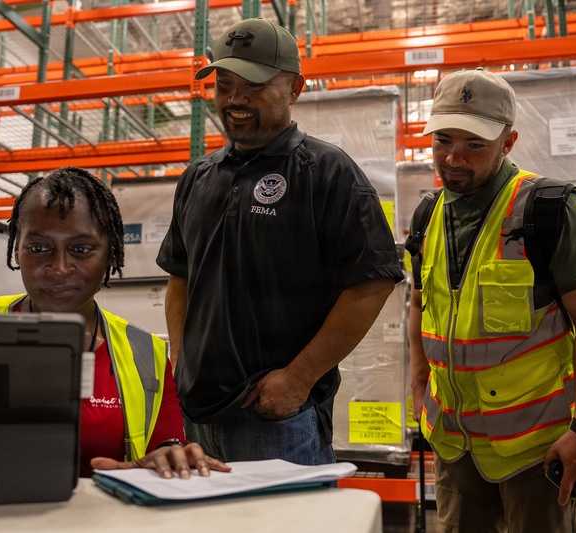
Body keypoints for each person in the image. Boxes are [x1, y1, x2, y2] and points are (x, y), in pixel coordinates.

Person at [156, 18, 404, 466]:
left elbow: (373, 282)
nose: (235, 99)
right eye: (225, 84)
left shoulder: (327, 172)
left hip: (276, 422)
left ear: (295, 88)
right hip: (197, 417)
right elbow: (181, 280)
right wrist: (180, 363)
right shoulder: (197, 178)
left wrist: (299, 378)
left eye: (254, 85)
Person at [406, 68, 576, 532]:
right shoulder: (428, 215)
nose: (453, 158)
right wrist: (419, 385)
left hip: (539, 449)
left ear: (508, 141)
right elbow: (421, 304)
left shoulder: (552, 210)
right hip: (455, 446)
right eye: (443, 140)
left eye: (474, 144)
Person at [0, 166, 230, 480]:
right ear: (17, 249)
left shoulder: (146, 356)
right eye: (39, 248)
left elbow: (163, 446)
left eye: (81, 250)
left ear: (111, 254)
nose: (58, 268)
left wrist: (168, 457)